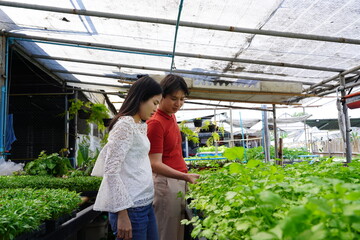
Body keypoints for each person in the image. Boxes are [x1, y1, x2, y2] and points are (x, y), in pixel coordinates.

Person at [91, 76, 162, 240]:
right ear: (141, 98)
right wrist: (122, 213)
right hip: (131, 208)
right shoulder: (124, 125)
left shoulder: (140, 125)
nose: (156, 108)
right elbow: (111, 171)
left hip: (145, 203)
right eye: (154, 102)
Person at [147, 74, 200, 240]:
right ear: (161, 95)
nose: (178, 104)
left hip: (178, 180)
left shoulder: (170, 116)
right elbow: (154, 163)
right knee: (165, 232)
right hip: (165, 184)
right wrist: (184, 175)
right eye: (173, 98)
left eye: (182, 99)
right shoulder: (155, 122)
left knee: (176, 231)